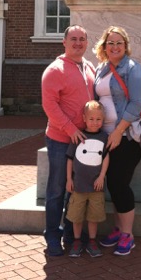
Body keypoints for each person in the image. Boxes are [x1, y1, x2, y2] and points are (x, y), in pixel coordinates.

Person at [93, 25, 141, 255]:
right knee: (112, 183)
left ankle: (128, 234)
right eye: (111, 43)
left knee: (120, 183)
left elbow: (137, 103)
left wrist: (118, 132)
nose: (115, 46)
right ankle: (119, 229)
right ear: (104, 46)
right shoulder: (101, 69)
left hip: (128, 136)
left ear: (126, 46)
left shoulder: (133, 69)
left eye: (119, 43)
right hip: (105, 137)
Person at [41, 25, 96, 257]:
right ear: (64, 42)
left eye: (82, 39)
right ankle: (52, 235)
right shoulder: (55, 70)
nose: (78, 43)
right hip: (61, 140)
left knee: (77, 191)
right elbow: (50, 106)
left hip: (84, 141)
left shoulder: (89, 66)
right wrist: (70, 128)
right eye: (73, 39)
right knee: (56, 189)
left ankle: (69, 234)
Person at [66, 100, 110, 258]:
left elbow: (105, 158)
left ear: (103, 120)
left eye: (98, 119)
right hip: (78, 186)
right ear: (84, 118)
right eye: (91, 119)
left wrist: (102, 176)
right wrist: (69, 180)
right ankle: (77, 241)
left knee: (94, 216)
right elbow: (70, 159)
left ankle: (92, 241)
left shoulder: (104, 137)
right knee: (76, 216)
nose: (95, 122)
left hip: (96, 187)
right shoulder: (79, 136)